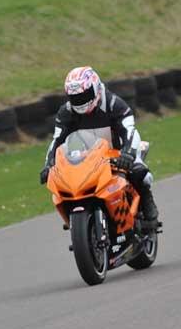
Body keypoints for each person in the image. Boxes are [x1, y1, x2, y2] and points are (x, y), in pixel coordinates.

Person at [39, 66, 159, 224]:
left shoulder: (113, 104)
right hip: (90, 155)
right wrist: (48, 165)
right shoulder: (66, 112)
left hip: (119, 150)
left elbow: (129, 129)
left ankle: (147, 201)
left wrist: (128, 153)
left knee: (138, 170)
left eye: (84, 96)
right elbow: (57, 140)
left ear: (95, 88)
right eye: (76, 98)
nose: (80, 101)